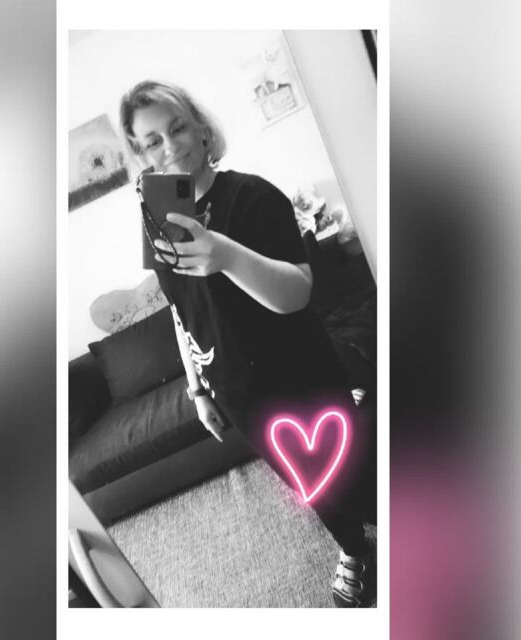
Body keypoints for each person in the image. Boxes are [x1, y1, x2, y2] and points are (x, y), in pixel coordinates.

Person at [118, 80, 375, 607]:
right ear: (141, 157)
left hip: (301, 372)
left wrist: (226, 255)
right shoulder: (154, 227)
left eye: (177, 127)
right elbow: (181, 311)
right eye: (152, 141)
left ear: (200, 128)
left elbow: (298, 292)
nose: (170, 147)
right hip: (238, 394)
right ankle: (354, 546)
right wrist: (197, 391)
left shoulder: (253, 196)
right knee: (303, 478)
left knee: (352, 462)